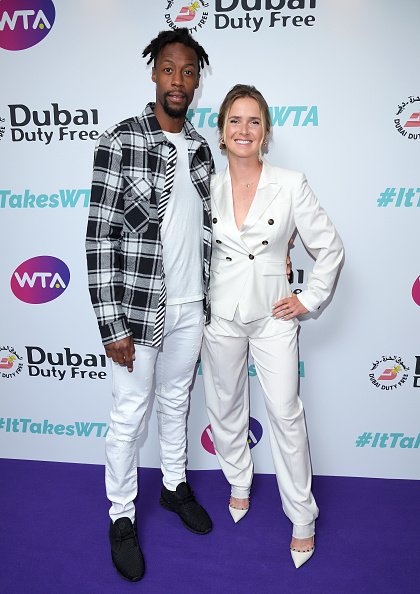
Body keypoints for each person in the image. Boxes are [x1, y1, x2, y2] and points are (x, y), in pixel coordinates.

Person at [85, 28, 214, 582]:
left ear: (196, 81)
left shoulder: (203, 149)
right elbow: (99, 238)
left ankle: (173, 486)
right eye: (169, 69)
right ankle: (121, 517)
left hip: (190, 306)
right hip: (136, 312)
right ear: (154, 73)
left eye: (188, 71)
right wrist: (110, 324)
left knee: (176, 401)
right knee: (129, 414)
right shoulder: (120, 140)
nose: (178, 80)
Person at [200, 84, 344, 569]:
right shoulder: (205, 185)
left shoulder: (290, 182)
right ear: (222, 130)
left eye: (254, 121)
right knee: (224, 406)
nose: (244, 129)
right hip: (221, 313)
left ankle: (302, 516)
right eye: (235, 120)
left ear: (265, 132)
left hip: (274, 316)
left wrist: (308, 298)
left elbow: (330, 246)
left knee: (285, 413)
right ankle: (238, 480)